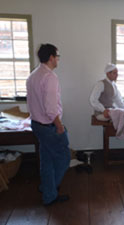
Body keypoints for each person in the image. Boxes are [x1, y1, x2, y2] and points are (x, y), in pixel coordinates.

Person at [26, 43, 71, 206]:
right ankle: (49, 190)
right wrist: (59, 126)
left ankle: (47, 190)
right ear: (51, 57)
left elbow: (31, 102)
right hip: (49, 126)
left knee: (46, 160)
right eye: (57, 56)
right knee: (65, 157)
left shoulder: (33, 75)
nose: (58, 59)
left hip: (37, 124)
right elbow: (51, 109)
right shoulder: (50, 77)